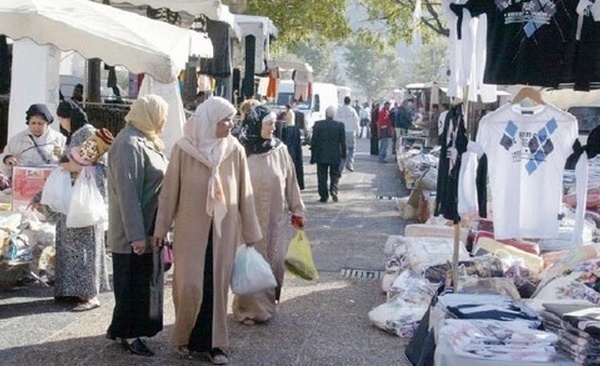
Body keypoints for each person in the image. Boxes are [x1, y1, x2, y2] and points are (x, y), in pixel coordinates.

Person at [152, 97, 262, 365]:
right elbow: (169, 193)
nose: (231, 125)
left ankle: (216, 345)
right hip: (190, 232)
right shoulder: (184, 149)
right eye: (225, 119)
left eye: (232, 119)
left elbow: (245, 192)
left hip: (223, 231)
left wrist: (251, 232)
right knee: (189, 284)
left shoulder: (233, 149)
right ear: (210, 121)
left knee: (216, 287)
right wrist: (161, 227)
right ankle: (185, 336)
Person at [105, 95, 169, 357]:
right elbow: (128, 194)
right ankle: (130, 335)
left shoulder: (145, 139)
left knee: (142, 283)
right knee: (133, 284)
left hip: (147, 225)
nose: (164, 120)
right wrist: (136, 236)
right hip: (135, 231)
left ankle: (124, 329)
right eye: (161, 114)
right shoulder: (129, 144)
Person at [233, 104, 306, 325]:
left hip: (276, 218)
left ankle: (267, 306)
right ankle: (247, 310)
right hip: (248, 218)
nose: (274, 127)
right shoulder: (241, 150)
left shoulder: (280, 150)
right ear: (257, 125)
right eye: (269, 123)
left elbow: (291, 182)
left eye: (274, 123)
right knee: (250, 265)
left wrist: (298, 209)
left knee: (274, 263)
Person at [35, 100, 110, 310]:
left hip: (80, 202)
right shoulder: (81, 133)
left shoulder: (85, 133)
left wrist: (73, 165)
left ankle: (88, 294)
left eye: (61, 120)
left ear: (66, 117)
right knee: (78, 247)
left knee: (82, 248)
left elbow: (99, 167)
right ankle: (75, 291)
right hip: (75, 200)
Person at [0, 104, 66, 178]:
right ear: (28, 123)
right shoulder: (17, 140)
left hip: (50, 183)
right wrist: (6, 160)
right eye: (33, 123)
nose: (36, 127)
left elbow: (64, 163)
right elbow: (3, 166)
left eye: (40, 124)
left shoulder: (58, 140)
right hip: (23, 184)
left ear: (47, 123)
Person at [310, 106, 346, 203]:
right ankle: (334, 190)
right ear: (334, 115)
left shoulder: (318, 124)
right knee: (335, 174)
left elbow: (313, 140)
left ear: (325, 114)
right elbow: (343, 141)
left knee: (322, 175)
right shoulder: (340, 125)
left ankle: (323, 195)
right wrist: (344, 154)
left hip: (321, 154)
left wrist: (313, 153)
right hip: (335, 154)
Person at [335, 96, 360, 172]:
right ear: (350, 102)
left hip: (340, 133)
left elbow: (335, 120)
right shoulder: (352, 111)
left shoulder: (339, 110)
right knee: (351, 149)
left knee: (342, 149)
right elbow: (356, 122)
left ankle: (341, 166)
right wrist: (358, 132)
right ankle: (349, 164)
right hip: (350, 132)